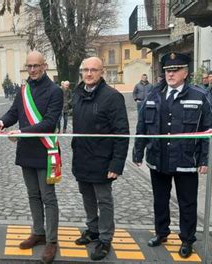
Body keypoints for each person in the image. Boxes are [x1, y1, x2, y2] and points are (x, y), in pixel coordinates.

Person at [133, 53, 212, 259]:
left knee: (187, 202)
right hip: (158, 158)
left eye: (175, 70)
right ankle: (162, 232)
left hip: (186, 159)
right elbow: (142, 125)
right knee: (160, 200)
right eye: (168, 71)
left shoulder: (199, 96)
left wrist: (205, 159)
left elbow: (209, 131)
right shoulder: (153, 94)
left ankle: (187, 239)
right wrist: (138, 152)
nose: (170, 74)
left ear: (185, 73)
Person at [0, 51, 63, 264]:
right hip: (27, 152)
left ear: (44, 66)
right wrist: (2, 122)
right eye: (29, 66)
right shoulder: (23, 90)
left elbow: (50, 122)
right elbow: (14, 112)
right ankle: (38, 232)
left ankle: (51, 241)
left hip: (45, 151)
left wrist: (22, 133)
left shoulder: (55, 91)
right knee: (33, 195)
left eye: (36, 66)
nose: (32, 70)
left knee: (48, 197)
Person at [71, 57, 129, 261]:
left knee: (103, 200)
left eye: (93, 70)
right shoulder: (77, 94)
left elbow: (122, 132)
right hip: (82, 159)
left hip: (103, 161)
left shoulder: (112, 97)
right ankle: (93, 229)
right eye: (85, 70)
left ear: (102, 72)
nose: (88, 73)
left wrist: (117, 163)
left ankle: (105, 238)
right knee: (87, 196)